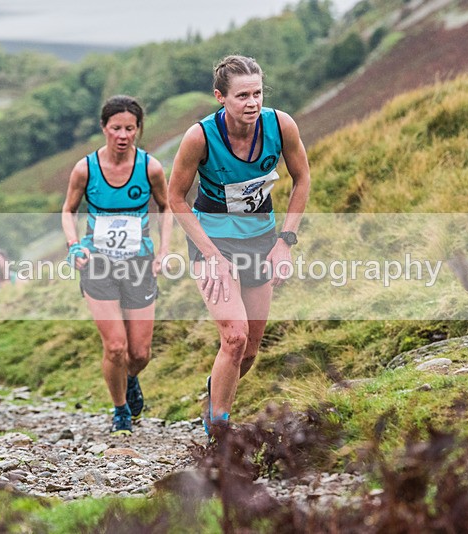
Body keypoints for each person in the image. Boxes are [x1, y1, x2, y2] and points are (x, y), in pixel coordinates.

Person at [167, 55, 310, 437]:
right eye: (242, 95)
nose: (252, 103)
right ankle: (219, 432)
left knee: (247, 351)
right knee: (234, 335)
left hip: (260, 240)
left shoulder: (280, 126)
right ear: (221, 97)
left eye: (258, 93)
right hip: (211, 242)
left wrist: (285, 241)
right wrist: (212, 256)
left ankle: (214, 401)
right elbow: (176, 198)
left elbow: (302, 178)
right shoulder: (199, 136)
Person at [62, 95, 172, 436]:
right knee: (115, 347)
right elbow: (68, 211)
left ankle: (130, 380)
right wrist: (74, 247)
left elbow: (167, 207)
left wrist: (164, 251)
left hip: (139, 264)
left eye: (130, 128)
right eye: (115, 128)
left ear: (138, 129)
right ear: (104, 128)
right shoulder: (86, 169)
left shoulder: (150, 167)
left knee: (139, 353)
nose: (122, 136)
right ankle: (120, 409)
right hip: (97, 265)